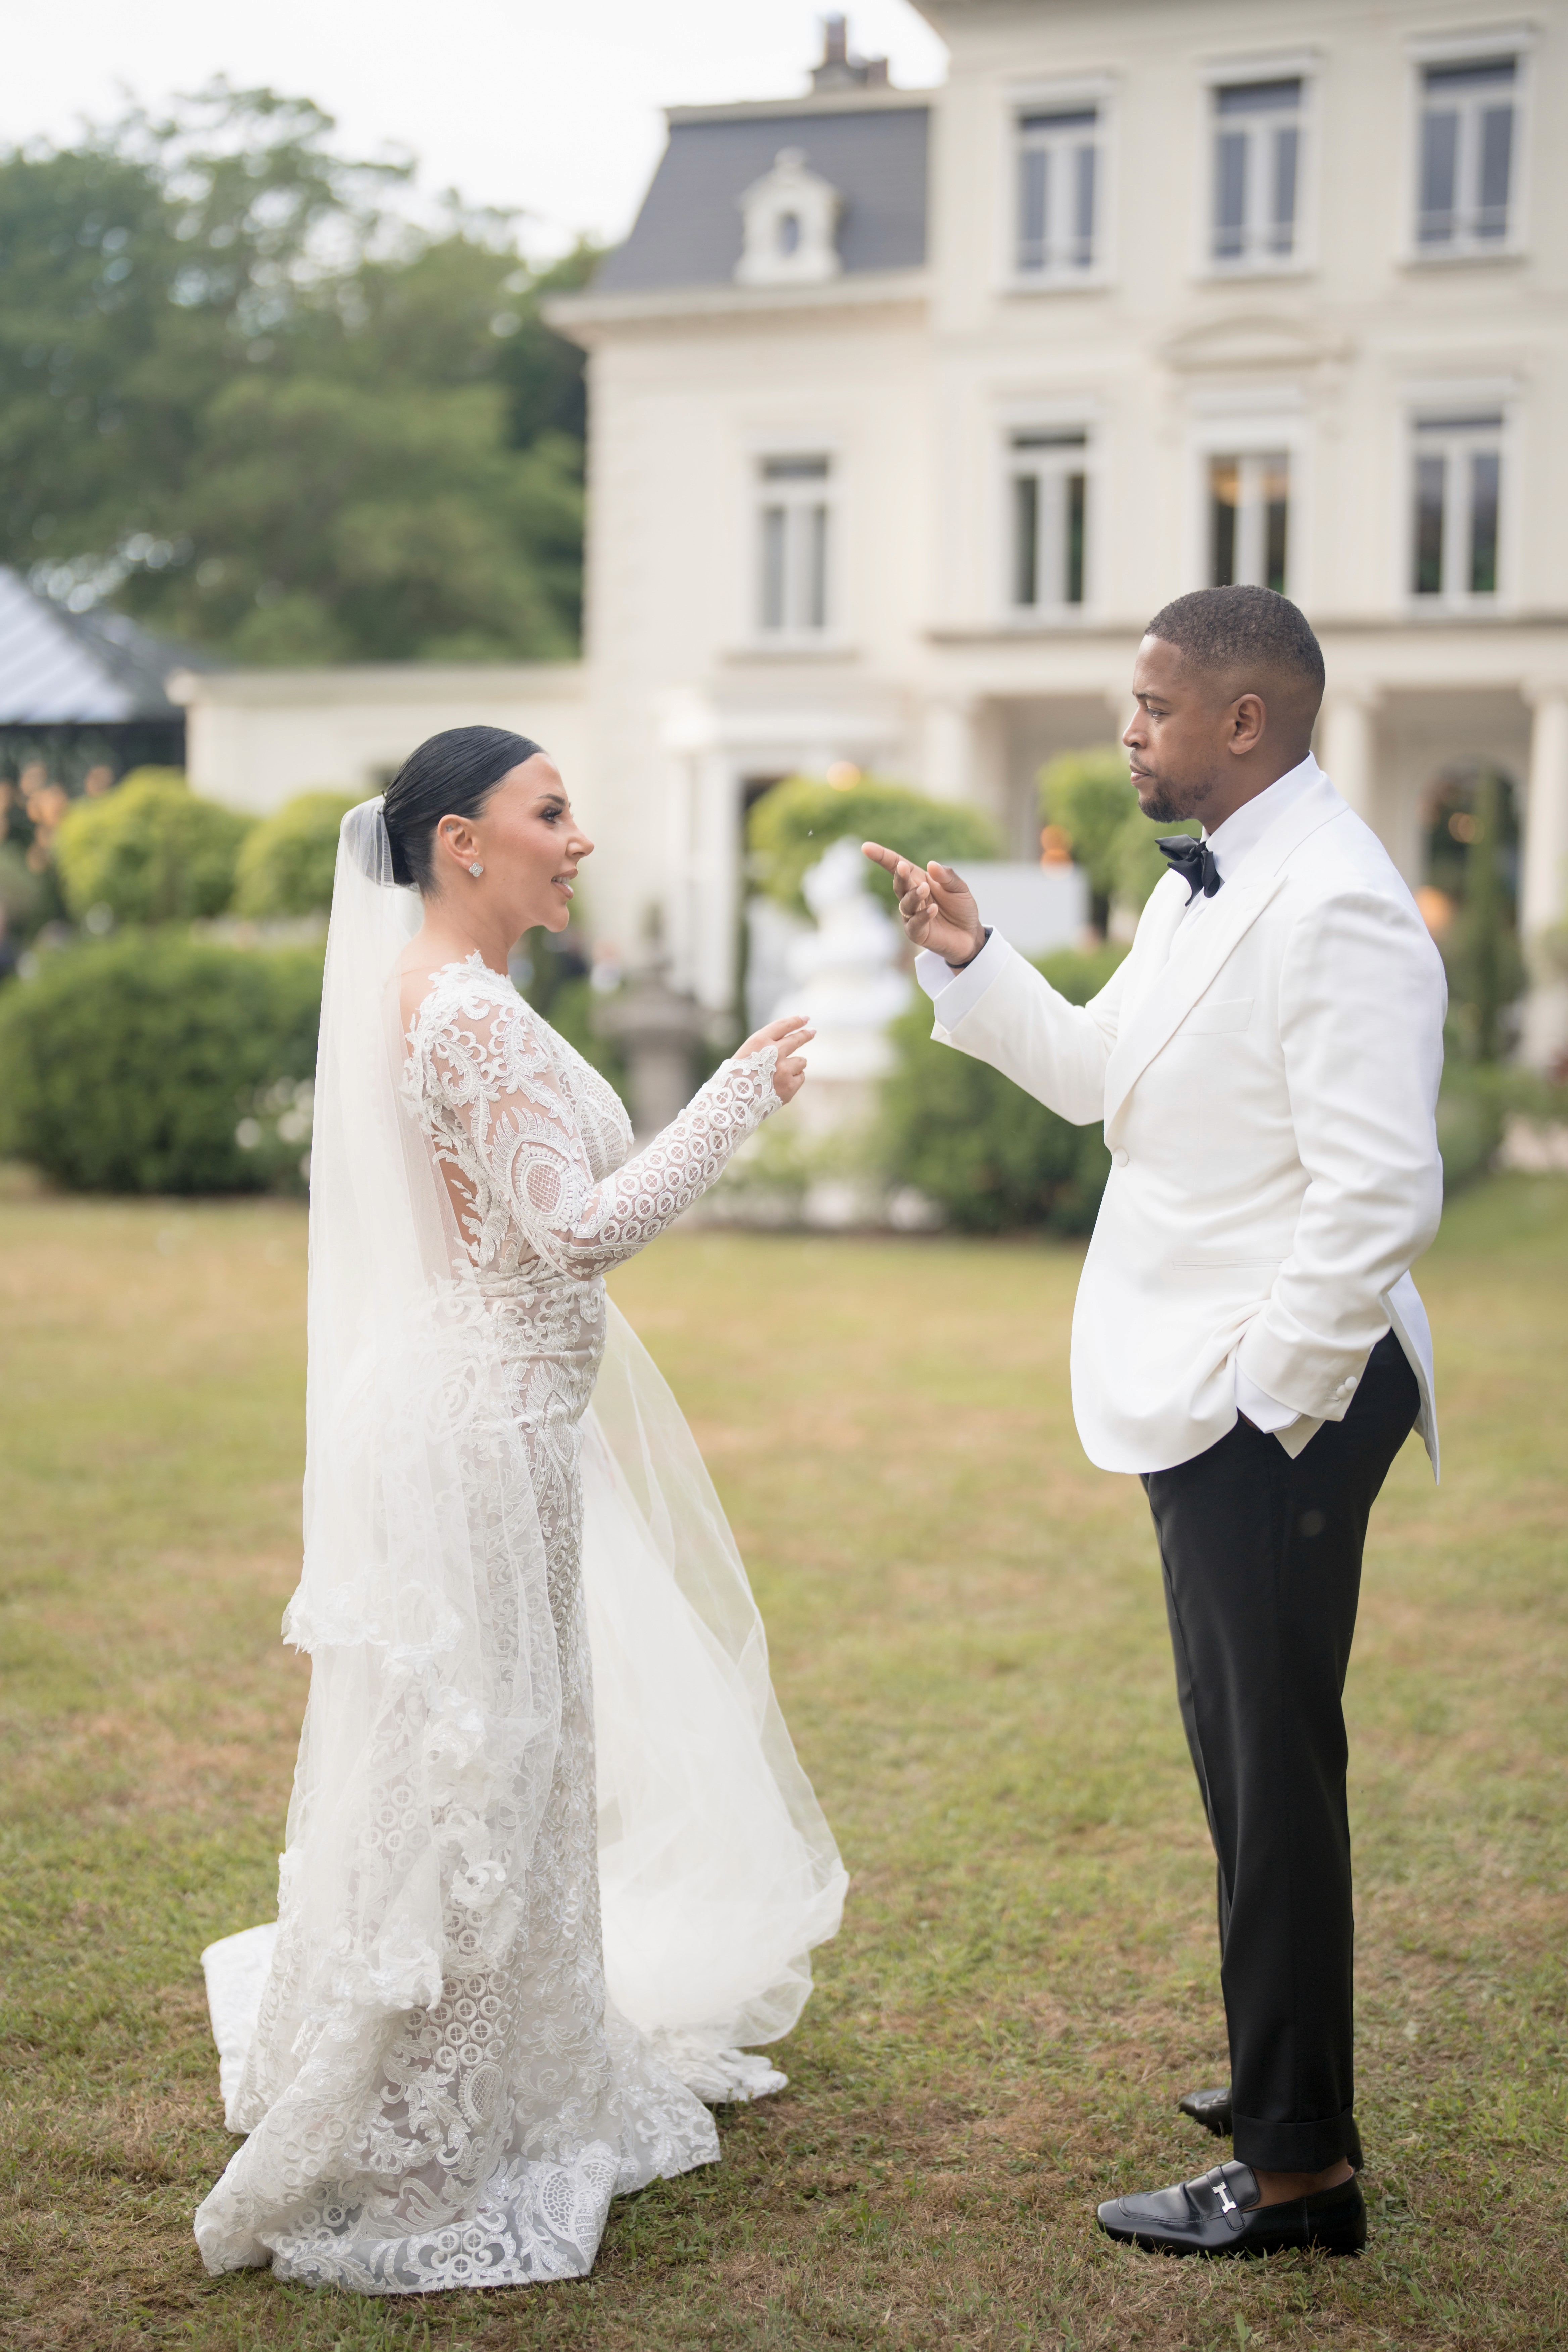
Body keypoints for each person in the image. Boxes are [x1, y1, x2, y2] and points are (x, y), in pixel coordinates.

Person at [195, 727, 847, 2293]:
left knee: (500, 1765)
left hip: (483, 1420)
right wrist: (734, 1100)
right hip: (477, 1440)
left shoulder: (442, 991)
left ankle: (486, 2073)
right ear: (460, 841)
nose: (580, 839)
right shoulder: (465, 1010)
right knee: (486, 1773)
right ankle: (423, 2124)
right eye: (551, 811)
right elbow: (572, 1230)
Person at [865, 586, 1444, 2259]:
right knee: (1241, 1759)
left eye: (1151, 706)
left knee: (1273, 1772)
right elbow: (1095, 1074)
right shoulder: (1205, 885)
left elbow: (1379, 1191)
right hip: (1204, 1390)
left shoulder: (1337, 900)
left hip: (1272, 1405)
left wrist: (1268, 1399)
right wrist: (972, 958)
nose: (1127, 732)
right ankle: (1280, 2074)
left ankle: (1296, 2170)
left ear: (1243, 722)